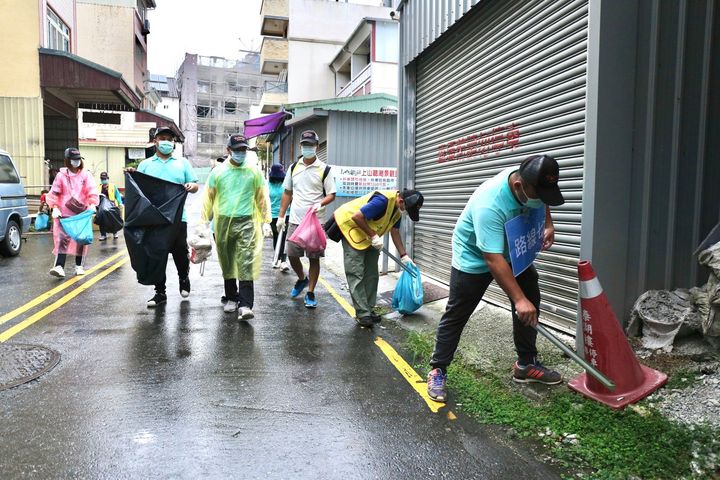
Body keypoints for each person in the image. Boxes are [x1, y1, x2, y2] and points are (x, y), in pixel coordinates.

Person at [426, 154, 566, 403]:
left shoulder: (529, 182)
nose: (542, 198)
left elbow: (542, 200)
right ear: (518, 187)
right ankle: (438, 369)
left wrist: (548, 224)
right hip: (475, 257)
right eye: (539, 193)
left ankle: (525, 364)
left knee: (531, 301)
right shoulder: (489, 204)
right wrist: (517, 299)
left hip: (511, 249)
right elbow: (492, 260)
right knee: (458, 313)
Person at [126, 126, 199, 307]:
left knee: (180, 251)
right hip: (153, 218)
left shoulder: (182, 163)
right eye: (162, 138)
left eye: (169, 138)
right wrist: (132, 175)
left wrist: (190, 185)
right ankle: (160, 292)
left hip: (177, 217)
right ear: (155, 141)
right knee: (157, 254)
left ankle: (184, 278)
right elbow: (139, 188)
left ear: (173, 143)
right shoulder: (145, 164)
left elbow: (195, 185)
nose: (166, 141)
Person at [201, 134, 271, 319]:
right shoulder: (218, 172)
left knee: (246, 261)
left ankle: (246, 304)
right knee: (227, 260)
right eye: (237, 149)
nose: (240, 153)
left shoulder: (253, 172)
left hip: (246, 221)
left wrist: (266, 221)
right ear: (228, 150)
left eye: (243, 150)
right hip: (222, 222)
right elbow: (209, 198)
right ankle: (231, 297)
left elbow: (261, 197)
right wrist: (204, 223)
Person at [332, 189, 424, 327]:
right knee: (356, 273)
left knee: (372, 274)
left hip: (369, 235)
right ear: (401, 201)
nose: (405, 211)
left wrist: (404, 255)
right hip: (352, 230)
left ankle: (368, 309)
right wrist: (374, 236)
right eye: (407, 208)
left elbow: (395, 232)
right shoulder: (382, 201)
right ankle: (363, 314)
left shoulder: (397, 210)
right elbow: (357, 216)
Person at [277, 130, 336, 308]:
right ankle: (302, 278)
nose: (307, 148)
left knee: (314, 258)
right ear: (301, 146)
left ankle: (310, 292)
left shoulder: (325, 169)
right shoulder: (293, 168)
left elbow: (332, 194)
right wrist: (281, 216)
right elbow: (287, 192)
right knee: (292, 255)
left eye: (311, 145)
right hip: (295, 219)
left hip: (315, 221)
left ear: (317, 146)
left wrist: (321, 203)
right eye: (305, 145)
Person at [46, 148, 99, 277]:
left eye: (78, 159)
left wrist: (92, 203)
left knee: (81, 239)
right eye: (74, 160)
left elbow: (91, 190)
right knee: (62, 239)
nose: (76, 162)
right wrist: (54, 207)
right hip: (64, 213)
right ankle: (59, 266)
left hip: (81, 213)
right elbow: (54, 192)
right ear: (67, 160)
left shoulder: (86, 175)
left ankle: (79, 266)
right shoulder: (61, 176)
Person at [267, 164, 289, 271]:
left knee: (284, 236)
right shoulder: (267, 185)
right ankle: (278, 258)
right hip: (272, 215)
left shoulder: (285, 184)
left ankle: (283, 260)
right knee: (276, 236)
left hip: (286, 214)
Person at [97, 171, 123, 241]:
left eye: (105, 178)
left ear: (108, 178)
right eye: (102, 179)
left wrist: (120, 203)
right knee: (102, 220)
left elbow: (117, 195)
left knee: (113, 220)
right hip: (102, 207)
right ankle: (103, 234)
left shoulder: (113, 186)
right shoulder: (98, 187)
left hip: (112, 206)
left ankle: (115, 233)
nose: (103, 180)